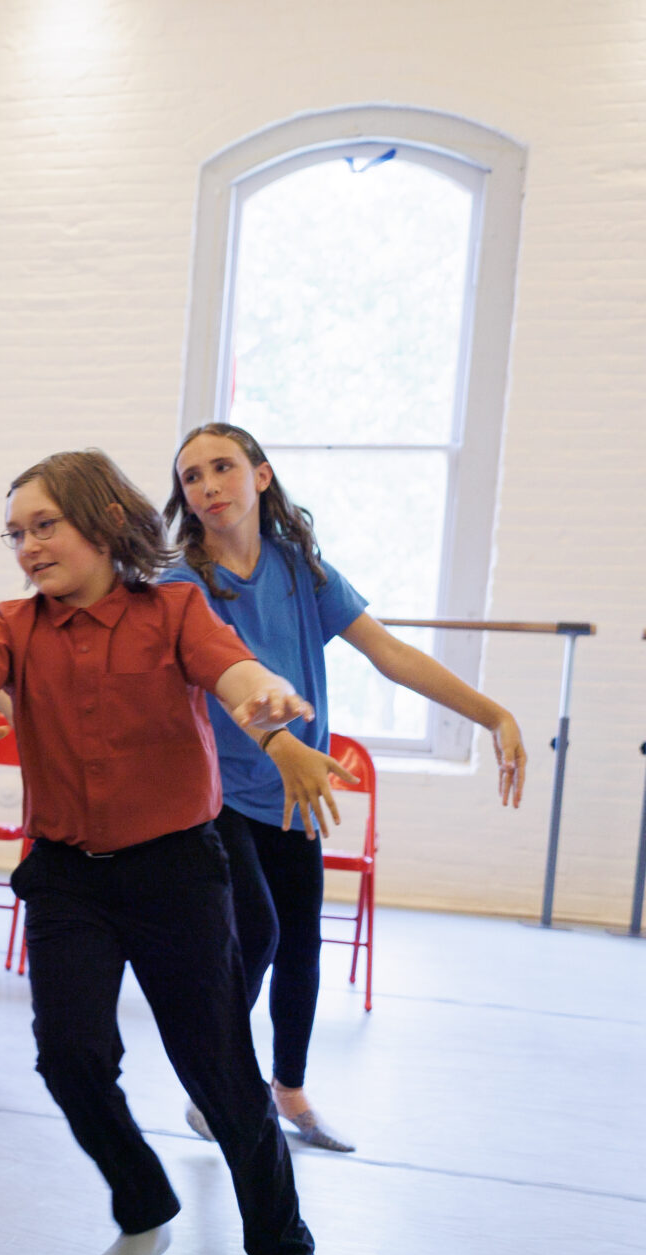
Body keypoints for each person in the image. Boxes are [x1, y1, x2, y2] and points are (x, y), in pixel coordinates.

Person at [0, 449, 334, 1255]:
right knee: (70, 1056)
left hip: (176, 871)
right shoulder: (13, 624)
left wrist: (265, 697)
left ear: (105, 518)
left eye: (45, 526)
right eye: (17, 533)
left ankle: (287, 1250)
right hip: (68, 874)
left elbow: (235, 673)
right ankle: (144, 1212)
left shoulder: (173, 608)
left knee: (220, 1069)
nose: (28, 547)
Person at [167, 422, 526, 1152]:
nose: (207, 487)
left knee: (302, 946)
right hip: (219, 794)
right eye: (192, 477)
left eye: (223, 468)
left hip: (296, 792)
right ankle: (217, 1087)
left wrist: (492, 713)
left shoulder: (301, 569)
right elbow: (230, 684)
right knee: (256, 931)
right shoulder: (184, 584)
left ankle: (289, 1090)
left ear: (261, 475)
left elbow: (388, 652)